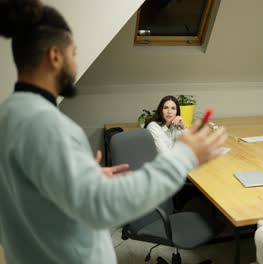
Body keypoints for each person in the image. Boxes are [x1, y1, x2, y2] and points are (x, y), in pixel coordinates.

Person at [0, 3, 227, 264]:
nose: (75, 65)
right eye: (74, 54)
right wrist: (185, 156)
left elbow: (32, 190)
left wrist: (86, 178)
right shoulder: (49, 127)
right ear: (55, 56)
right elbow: (104, 206)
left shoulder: (8, 115)